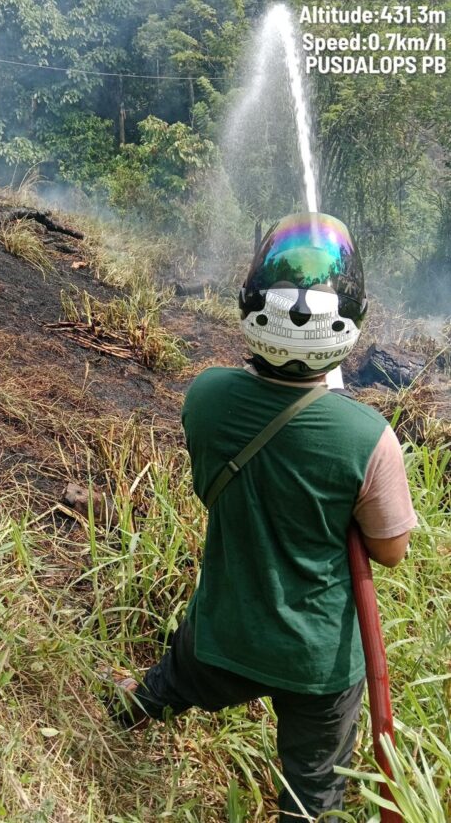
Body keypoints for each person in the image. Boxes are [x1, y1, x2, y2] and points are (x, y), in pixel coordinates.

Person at [113, 212, 418, 822]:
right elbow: (391, 551)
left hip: (224, 631)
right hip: (318, 663)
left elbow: (212, 485)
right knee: (313, 798)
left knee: (170, 684)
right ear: (348, 322)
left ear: (253, 305)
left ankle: (119, 718)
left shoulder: (206, 396)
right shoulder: (369, 437)